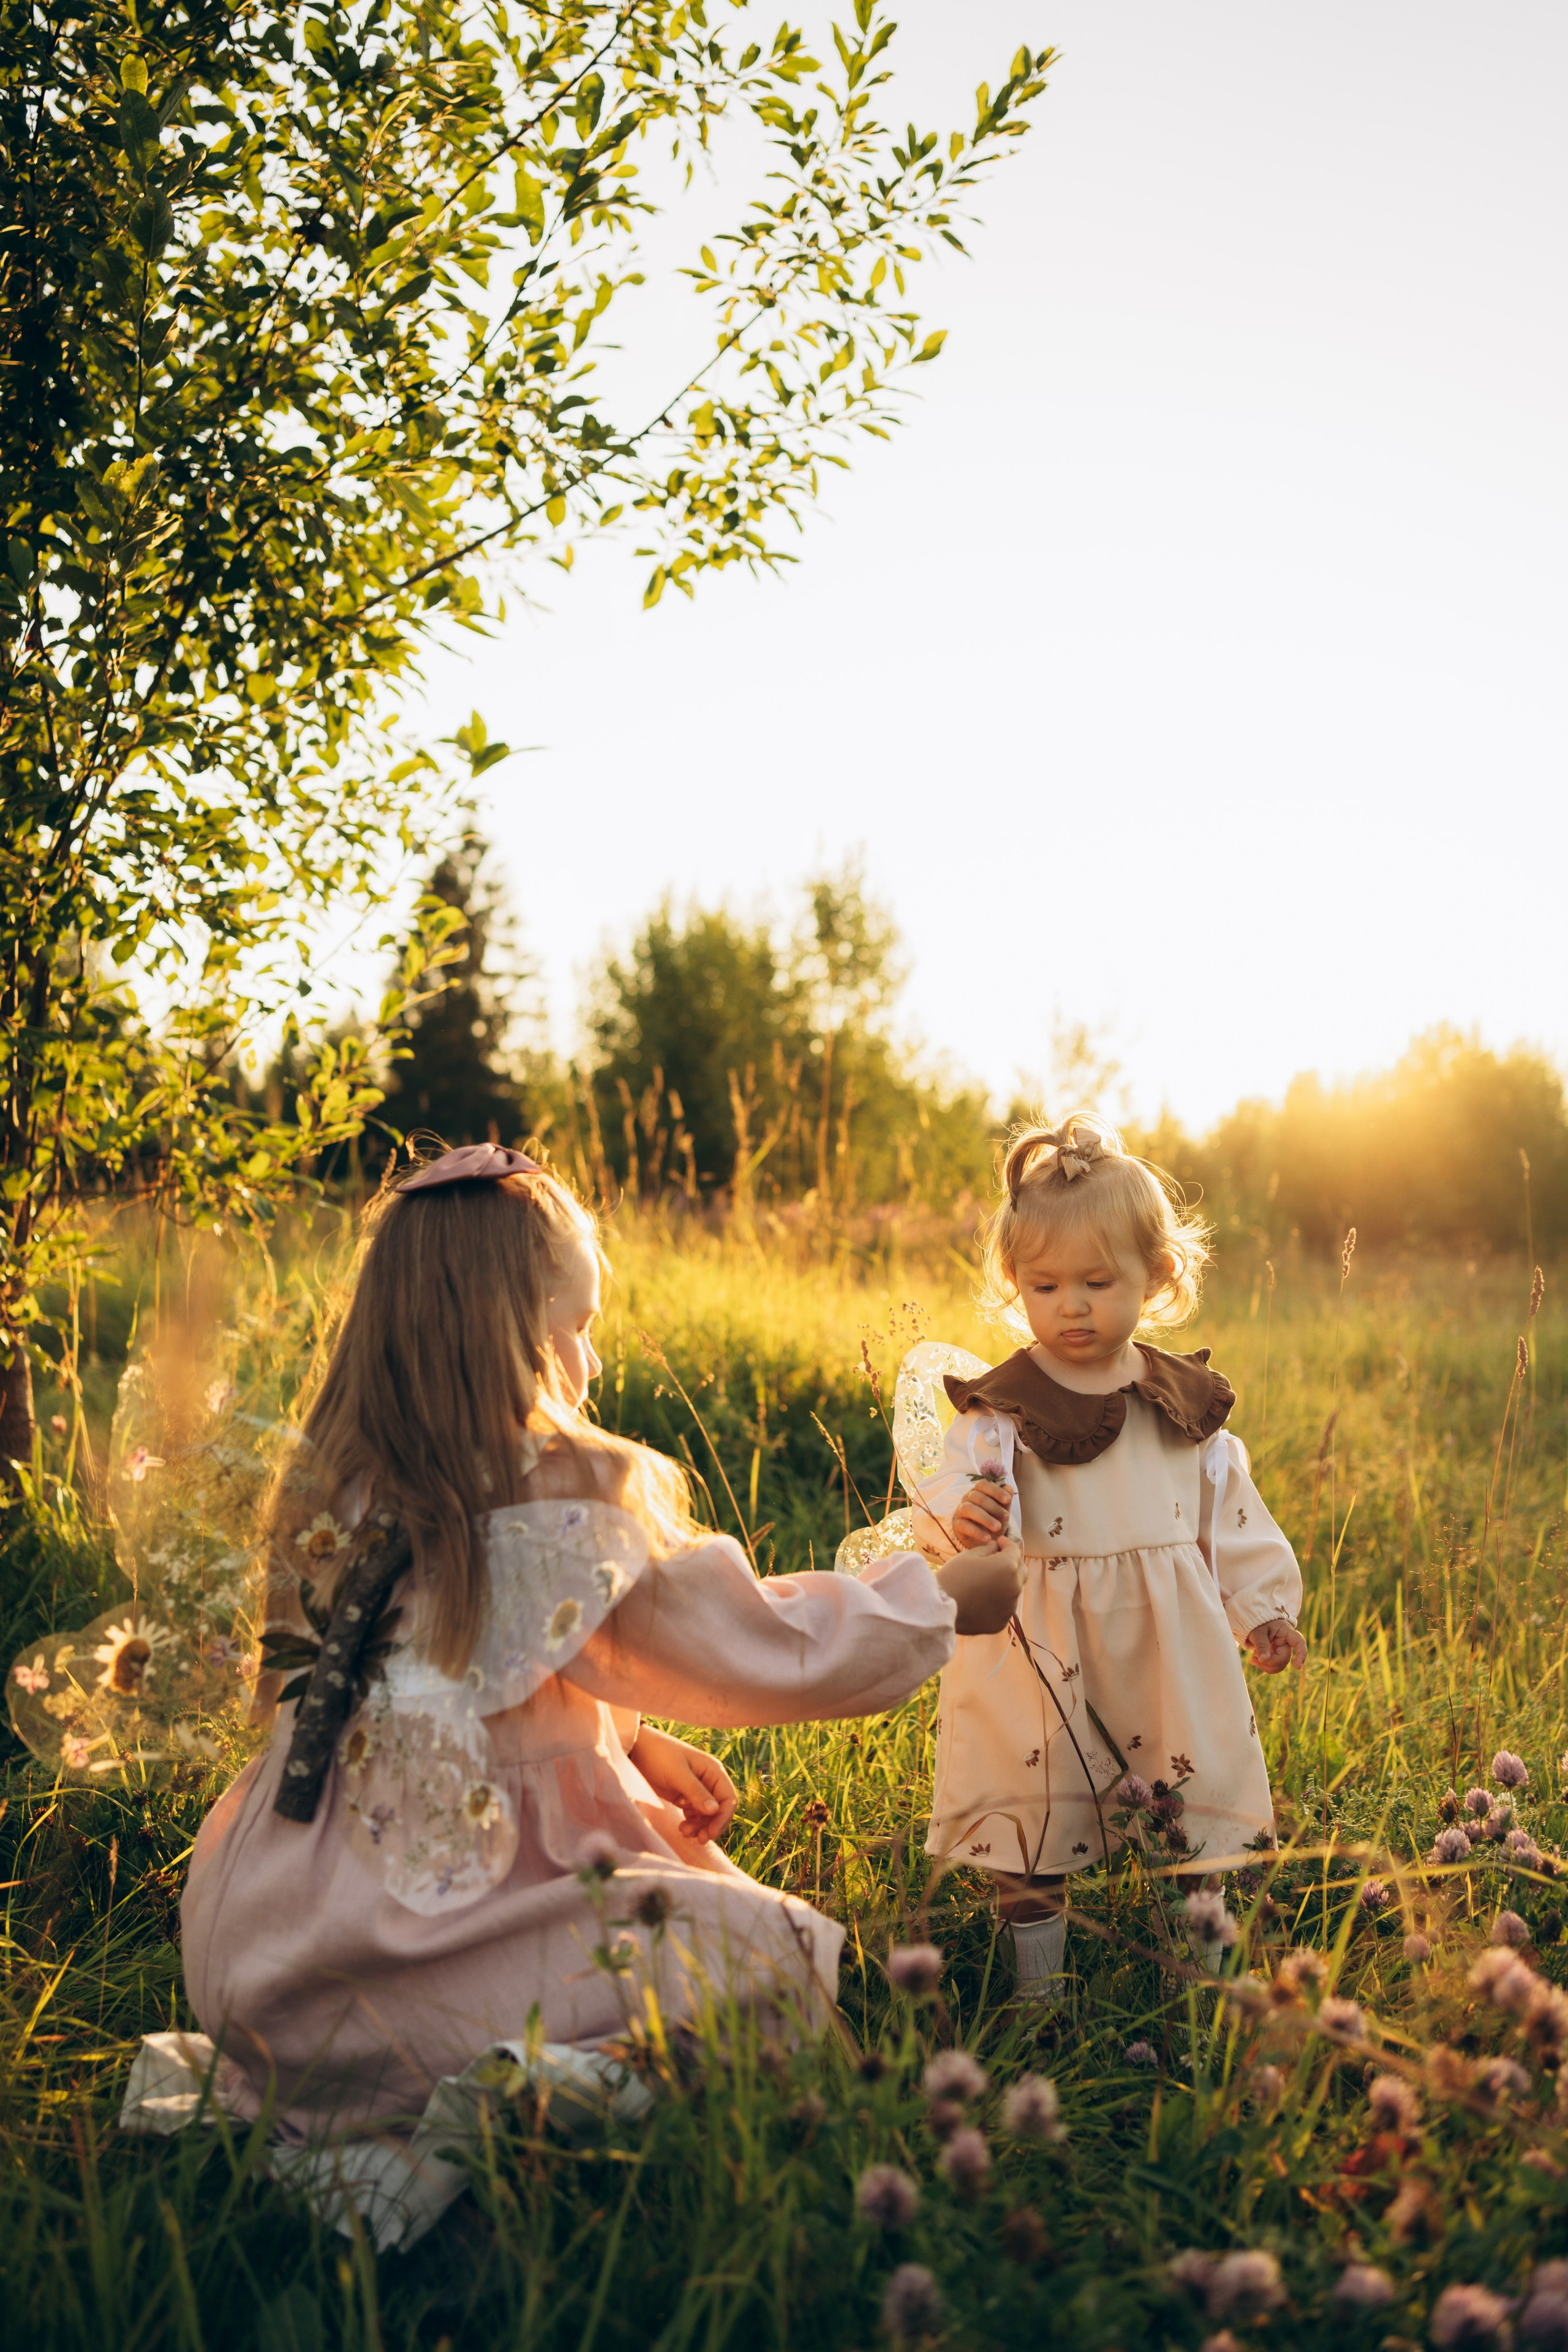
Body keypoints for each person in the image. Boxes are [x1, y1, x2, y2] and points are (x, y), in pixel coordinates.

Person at [181, 1144, 1021, 2145]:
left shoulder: (339, 1486)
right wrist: (933, 1598)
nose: (595, 1359)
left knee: (714, 1942)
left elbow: (452, 1681)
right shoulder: (551, 1489)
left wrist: (622, 1745)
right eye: (576, 1327)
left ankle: (504, 2092)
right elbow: (752, 1642)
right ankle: (543, 2103)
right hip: (428, 1929)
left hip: (282, 1964)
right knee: (768, 1973)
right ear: (506, 1335)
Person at [910, 1115, 1305, 1999]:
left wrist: (1263, 1605)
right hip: (1040, 1647)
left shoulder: (1179, 1402)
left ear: (1157, 1276)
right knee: (1035, 1820)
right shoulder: (1000, 1410)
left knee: (1192, 1809)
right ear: (1015, 1284)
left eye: (1098, 1281)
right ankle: (1037, 1993)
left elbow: (1229, 1511)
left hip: (1169, 1645)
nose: (1072, 1306)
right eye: (1044, 1285)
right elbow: (942, 1504)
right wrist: (962, 1515)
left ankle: (1200, 1979)